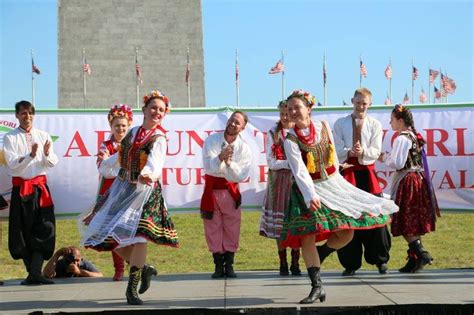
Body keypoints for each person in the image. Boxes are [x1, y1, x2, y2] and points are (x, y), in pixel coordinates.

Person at [281, 89, 398, 304]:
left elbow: (333, 154)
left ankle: (322, 253)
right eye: (289, 109)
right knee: (307, 234)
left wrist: (339, 177)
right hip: (309, 189)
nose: (293, 112)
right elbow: (299, 171)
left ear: (309, 108)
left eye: (297, 107)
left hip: (332, 182)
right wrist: (310, 196)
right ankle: (317, 286)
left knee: (346, 234)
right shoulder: (290, 139)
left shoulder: (323, 126)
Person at [81, 90, 179, 305]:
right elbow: (121, 156)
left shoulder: (159, 137)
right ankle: (144, 269)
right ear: (144, 109)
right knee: (109, 233)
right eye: (153, 107)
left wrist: (148, 174)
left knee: (140, 238)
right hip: (123, 188)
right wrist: (107, 163)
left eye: (161, 110)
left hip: (145, 192)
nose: (157, 112)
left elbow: (156, 161)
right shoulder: (133, 132)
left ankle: (131, 289)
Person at [332, 88, 391, 276]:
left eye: (364, 103)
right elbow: (335, 147)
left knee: (375, 215)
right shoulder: (340, 123)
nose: (361, 106)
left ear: (370, 104)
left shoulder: (374, 125)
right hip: (348, 174)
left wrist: (363, 152)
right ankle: (350, 262)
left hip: (367, 174)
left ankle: (380, 259)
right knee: (347, 216)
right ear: (352, 101)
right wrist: (349, 151)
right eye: (358, 102)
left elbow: (376, 149)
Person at [379, 104, 440, 273]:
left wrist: (383, 157)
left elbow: (397, 163)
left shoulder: (402, 138)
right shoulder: (413, 136)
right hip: (417, 180)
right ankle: (415, 258)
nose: (390, 123)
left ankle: (421, 253)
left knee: (405, 219)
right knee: (410, 219)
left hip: (408, 181)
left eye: (392, 120)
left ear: (399, 120)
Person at [3, 100, 59, 285]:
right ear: (17, 115)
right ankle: (33, 272)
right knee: (22, 231)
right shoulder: (10, 137)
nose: (27, 116)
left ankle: (35, 272)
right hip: (21, 190)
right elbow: (12, 165)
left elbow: (52, 163)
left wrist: (46, 153)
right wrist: (30, 156)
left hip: (40, 189)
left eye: (30, 113)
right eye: (23, 113)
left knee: (45, 228)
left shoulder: (43, 135)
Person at [200, 110, 252, 279]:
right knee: (212, 227)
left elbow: (242, 175)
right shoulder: (212, 140)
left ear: (242, 127)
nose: (232, 124)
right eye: (231, 120)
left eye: (237, 122)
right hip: (211, 190)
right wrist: (219, 159)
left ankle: (229, 265)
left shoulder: (244, 148)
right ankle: (217, 265)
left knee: (232, 227)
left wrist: (229, 164)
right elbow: (209, 167)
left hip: (230, 191)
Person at [259, 100, 301, 276]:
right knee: (280, 224)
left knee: (297, 221)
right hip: (278, 182)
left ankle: (295, 262)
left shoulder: (299, 133)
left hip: (296, 181)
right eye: (282, 114)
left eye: (287, 113)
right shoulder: (273, 133)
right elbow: (271, 161)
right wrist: (290, 162)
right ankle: (283, 261)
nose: (285, 117)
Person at [96, 104, 133, 281]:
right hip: (111, 194)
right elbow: (103, 169)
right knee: (112, 232)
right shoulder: (106, 145)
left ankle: (135, 266)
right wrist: (118, 155)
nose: (120, 129)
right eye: (117, 125)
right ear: (111, 126)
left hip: (131, 192)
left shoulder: (134, 144)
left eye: (124, 126)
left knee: (131, 231)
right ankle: (119, 268)